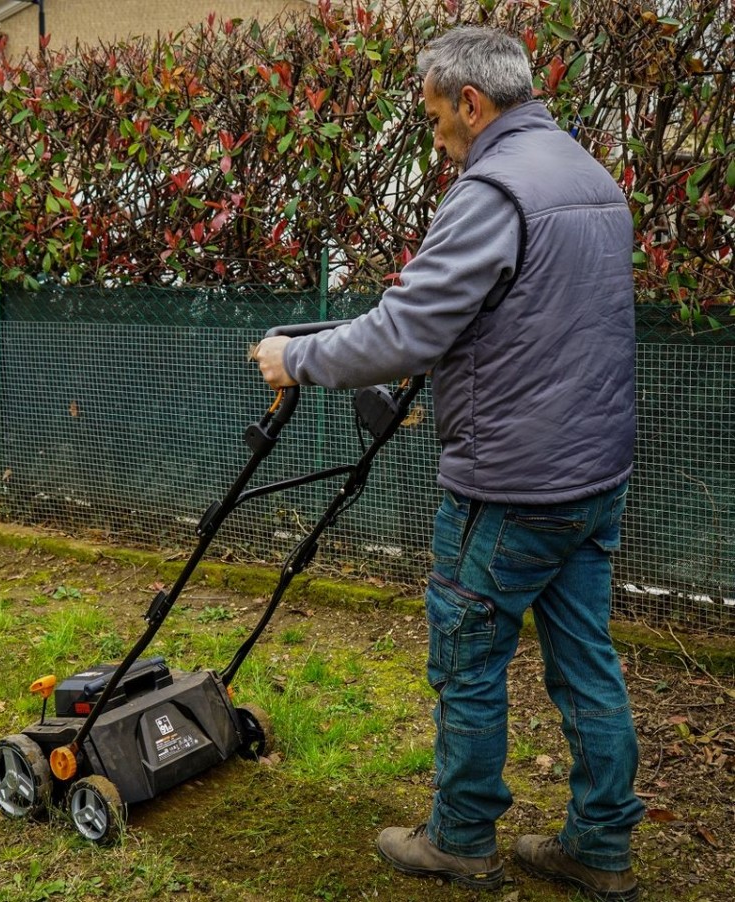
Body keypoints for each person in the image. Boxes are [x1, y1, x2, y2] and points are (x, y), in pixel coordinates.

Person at [254, 24, 644, 902]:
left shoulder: (492, 189)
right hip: (594, 476)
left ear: (471, 102)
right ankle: (600, 848)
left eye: (434, 120)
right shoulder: (592, 178)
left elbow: (405, 331)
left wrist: (298, 360)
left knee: (468, 661)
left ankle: (461, 839)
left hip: (508, 487)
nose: (435, 140)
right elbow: (538, 323)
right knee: (587, 662)